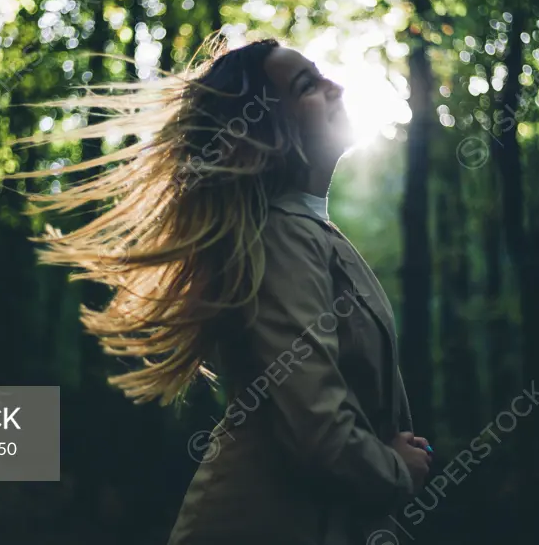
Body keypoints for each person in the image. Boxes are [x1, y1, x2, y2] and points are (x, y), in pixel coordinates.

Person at [23, 34, 432, 544]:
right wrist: (396, 471)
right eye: (308, 84)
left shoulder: (308, 231)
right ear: (266, 131)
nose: (335, 85)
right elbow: (318, 428)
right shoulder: (283, 235)